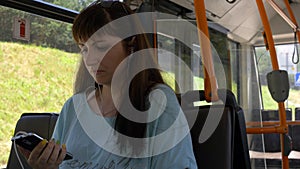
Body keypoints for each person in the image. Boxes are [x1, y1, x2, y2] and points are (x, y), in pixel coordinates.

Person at [19, 1, 197, 168]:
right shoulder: (74, 108)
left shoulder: (159, 104)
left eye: (101, 47)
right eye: (84, 49)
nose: (90, 59)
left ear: (131, 45)